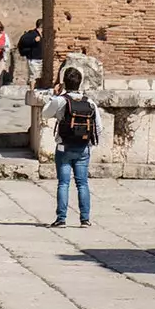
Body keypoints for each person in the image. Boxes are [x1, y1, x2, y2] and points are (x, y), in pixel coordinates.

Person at [40, 66, 102, 228]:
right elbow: (99, 127)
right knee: (82, 183)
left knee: (64, 183)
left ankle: (61, 219)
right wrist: (89, 144)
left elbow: (45, 114)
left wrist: (54, 95)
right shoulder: (90, 102)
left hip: (64, 147)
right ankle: (85, 219)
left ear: (64, 83)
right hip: (83, 148)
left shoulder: (61, 100)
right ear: (80, 83)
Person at [17, 19, 44, 88]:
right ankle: (32, 92)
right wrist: (34, 40)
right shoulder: (32, 34)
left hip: (42, 59)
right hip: (33, 59)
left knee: (40, 77)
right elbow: (23, 41)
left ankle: (37, 91)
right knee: (34, 76)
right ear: (41, 26)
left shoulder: (43, 35)